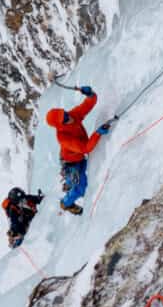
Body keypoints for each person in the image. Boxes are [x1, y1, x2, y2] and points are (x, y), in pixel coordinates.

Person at [45, 85, 113, 215]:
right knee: (81, 189)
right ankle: (65, 203)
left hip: (77, 157)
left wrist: (90, 94)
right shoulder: (62, 137)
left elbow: (87, 105)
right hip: (71, 163)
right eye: (64, 119)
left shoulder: (72, 115)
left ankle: (69, 183)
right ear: (59, 125)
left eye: (65, 114)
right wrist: (98, 133)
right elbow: (85, 148)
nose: (68, 117)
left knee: (79, 180)